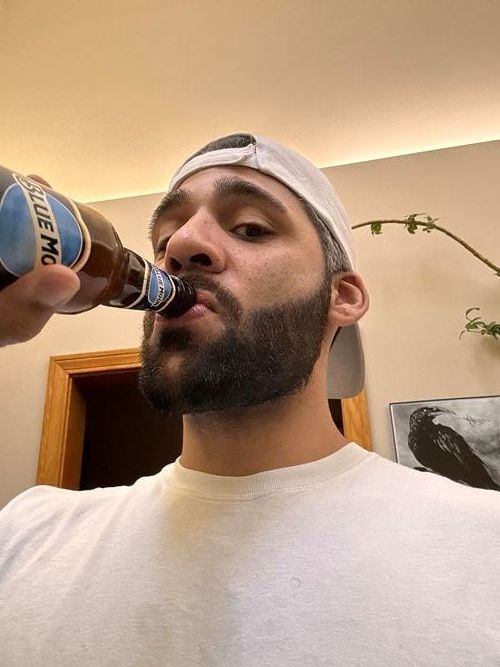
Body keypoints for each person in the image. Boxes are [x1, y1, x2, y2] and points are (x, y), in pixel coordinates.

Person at [0, 133, 499, 666]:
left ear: (342, 296)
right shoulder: (26, 535)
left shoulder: (483, 545)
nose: (181, 246)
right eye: (164, 237)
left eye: (250, 228)